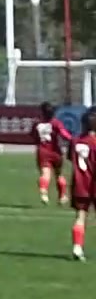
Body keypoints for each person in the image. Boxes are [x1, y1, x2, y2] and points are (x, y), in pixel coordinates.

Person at [34, 102, 70, 206]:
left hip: (43, 151)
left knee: (45, 173)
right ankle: (62, 196)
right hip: (56, 152)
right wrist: (72, 140)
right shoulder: (56, 123)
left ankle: (44, 192)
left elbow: (33, 136)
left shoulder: (37, 124)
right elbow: (64, 134)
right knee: (59, 174)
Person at [71, 109, 96, 262]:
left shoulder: (75, 141)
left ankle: (77, 247)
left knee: (80, 216)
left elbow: (71, 158)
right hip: (93, 183)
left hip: (79, 184)